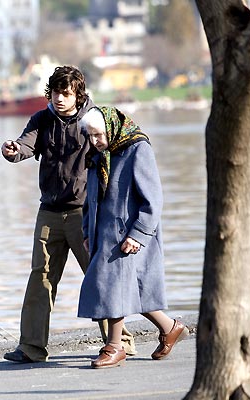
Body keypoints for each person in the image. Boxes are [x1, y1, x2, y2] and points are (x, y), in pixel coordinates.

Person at [0, 65, 136, 363]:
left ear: (78, 94)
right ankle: (32, 348)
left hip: (86, 213)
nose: (59, 99)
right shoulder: (42, 119)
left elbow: (117, 156)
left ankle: (120, 342)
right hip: (49, 212)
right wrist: (12, 150)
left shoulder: (93, 119)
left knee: (100, 276)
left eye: (66, 93)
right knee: (41, 278)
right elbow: (24, 145)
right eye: (55, 93)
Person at [78, 106, 189, 369]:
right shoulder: (99, 155)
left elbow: (153, 199)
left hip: (127, 235)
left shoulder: (138, 149)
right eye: (90, 136)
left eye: (97, 135)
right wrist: (86, 231)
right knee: (128, 289)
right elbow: (89, 198)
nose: (94, 141)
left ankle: (115, 347)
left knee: (111, 287)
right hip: (102, 233)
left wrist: (138, 234)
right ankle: (170, 327)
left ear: (111, 128)